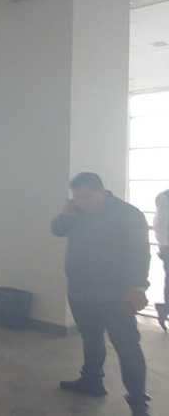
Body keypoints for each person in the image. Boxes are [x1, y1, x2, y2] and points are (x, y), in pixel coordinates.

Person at [51, 172, 150, 416]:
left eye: (85, 197)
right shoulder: (77, 211)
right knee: (90, 337)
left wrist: (137, 287)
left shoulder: (128, 214)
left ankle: (138, 402)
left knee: (127, 346)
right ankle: (91, 381)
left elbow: (139, 253)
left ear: (101, 191)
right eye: (76, 197)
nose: (81, 202)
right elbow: (57, 230)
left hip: (115, 294)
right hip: (80, 290)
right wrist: (65, 215)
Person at [152, 189, 169, 331]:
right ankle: (165, 308)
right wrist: (164, 245)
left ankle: (164, 308)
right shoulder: (165, 197)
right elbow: (161, 224)